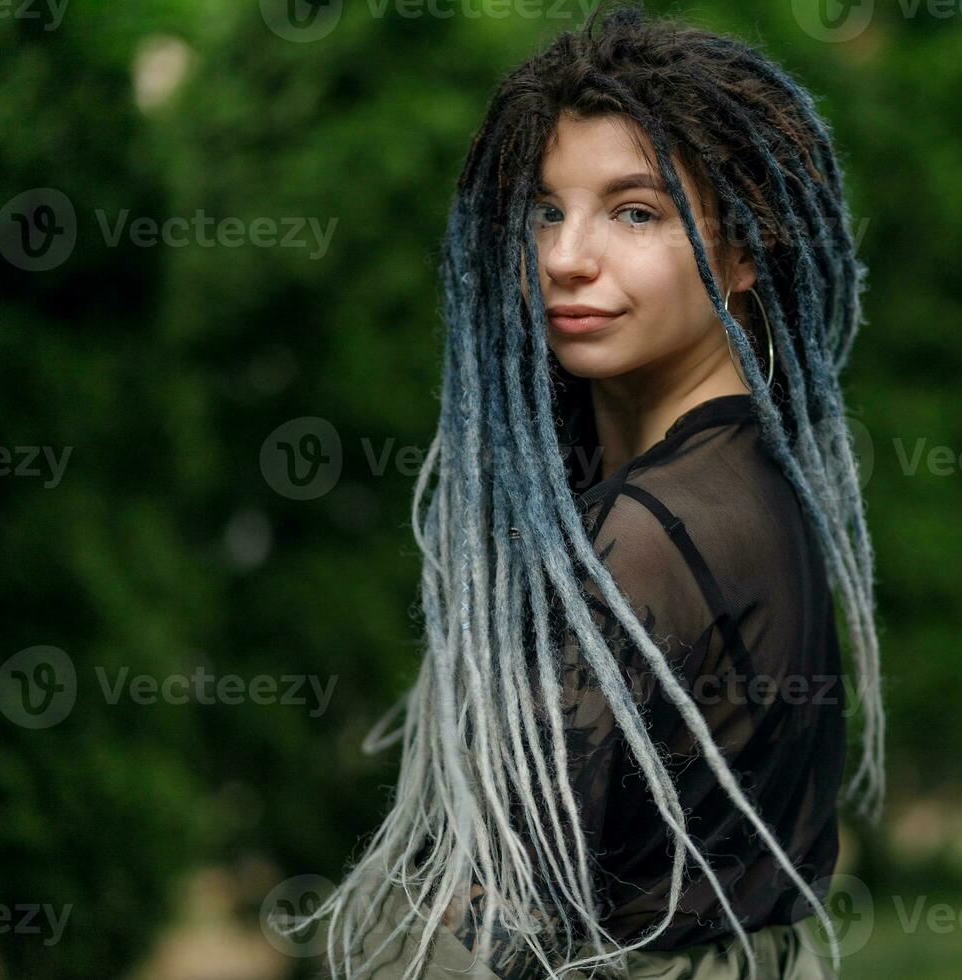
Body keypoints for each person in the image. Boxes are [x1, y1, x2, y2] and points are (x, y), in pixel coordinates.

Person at [308, 4, 885, 977]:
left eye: (634, 211)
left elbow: (511, 921)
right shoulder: (752, 481)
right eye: (545, 209)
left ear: (743, 253)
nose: (567, 256)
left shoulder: (653, 531)